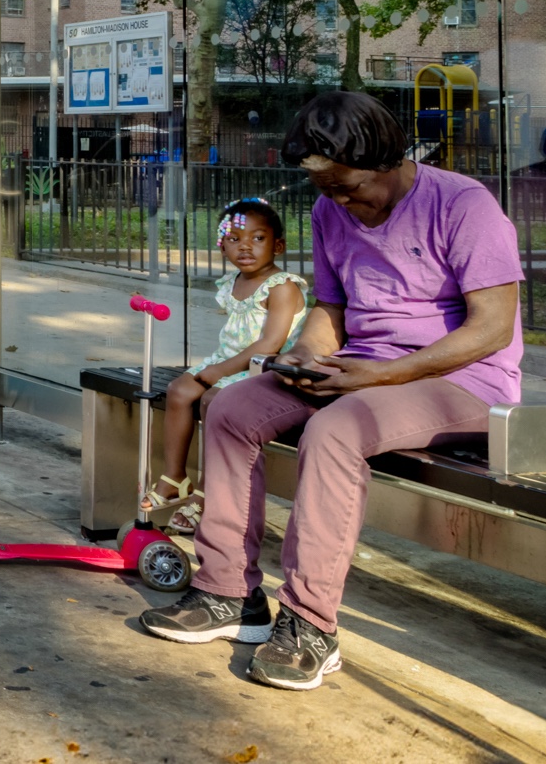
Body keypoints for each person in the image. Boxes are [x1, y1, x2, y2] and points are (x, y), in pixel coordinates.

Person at [141, 92, 524, 692]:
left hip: (462, 381)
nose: (341, 203)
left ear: (391, 160)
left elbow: (493, 328)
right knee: (234, 406)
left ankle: (311, 623)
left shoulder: (464, 204)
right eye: (327, 190)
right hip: (361, 368)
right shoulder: (328, 211)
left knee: (337, 429)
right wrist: (300, 355)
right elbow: (332, 310)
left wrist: (374, 377)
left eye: (349, 188)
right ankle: (227, 593)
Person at [142, 198, 307, 533]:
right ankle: (174, 477)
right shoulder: (234, 282)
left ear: (278, 245)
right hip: (229, 362)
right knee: (178, 391)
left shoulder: (282, 287)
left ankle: (205, 491)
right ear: (222, 247)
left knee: (211, 399)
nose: (245, 246)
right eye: (234, 240)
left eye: (258, 238)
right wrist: (218, 367)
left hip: (266, 368)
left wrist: (220, 372)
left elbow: (269, 344)